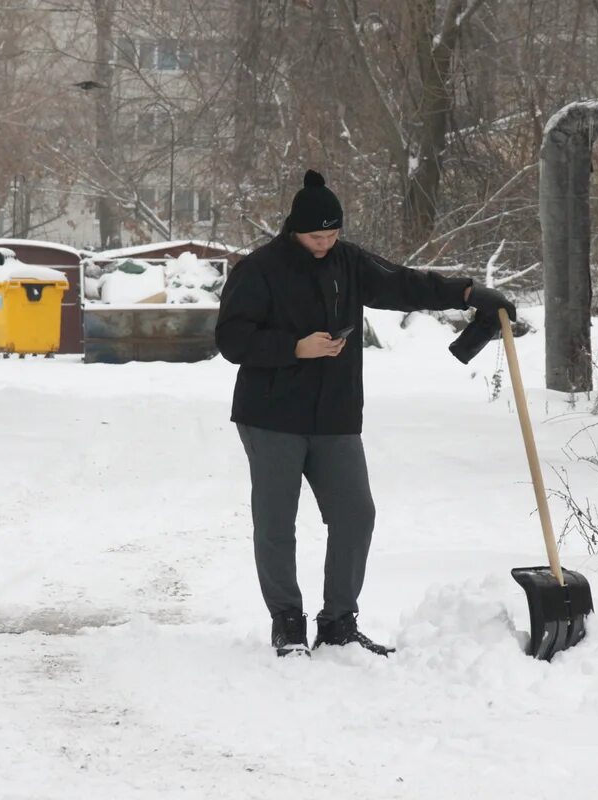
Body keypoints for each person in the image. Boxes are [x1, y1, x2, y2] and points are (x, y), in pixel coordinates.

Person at [215, 170, 516, 657]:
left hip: (334, 415)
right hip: (270, 415)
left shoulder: (348, 262)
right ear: (295, 229)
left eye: (333, 234)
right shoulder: (260, 270)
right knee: (276, 521)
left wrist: (466, 294)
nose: (326, 242)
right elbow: (230, 339)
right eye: (318, 235)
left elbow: (403, 284)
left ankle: (338, 622)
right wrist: (295, 347)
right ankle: (287, 621)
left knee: (355, 515)